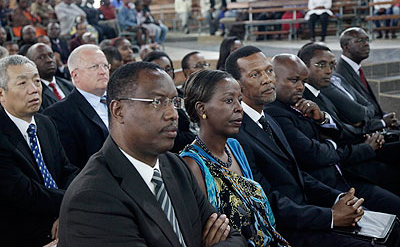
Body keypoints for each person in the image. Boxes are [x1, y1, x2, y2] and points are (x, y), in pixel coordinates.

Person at [57, 61, 247, 247]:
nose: (173, 114)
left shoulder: (175, 166)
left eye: (173, 102)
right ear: (118, 110)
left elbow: (235, 238)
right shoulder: (93, 198)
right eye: (157, 102)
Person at [224, 46, 387, 247]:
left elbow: (298, 174)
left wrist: (338, 197)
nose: (267, 79)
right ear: (237, 84)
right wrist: (331, 217)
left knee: (391, 228)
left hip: (310, 209)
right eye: (255, 74)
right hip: (285, 230)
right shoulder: (237, 133)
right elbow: (268, 201)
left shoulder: (267, 118)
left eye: (269, 70)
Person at [266, 53, 400, 214]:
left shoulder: (301, 103)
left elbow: (341, 133)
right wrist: (331, 144)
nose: (301, 87)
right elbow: (314, 154)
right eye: (294, 81)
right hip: (327, 187)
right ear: (272, 79)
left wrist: (322, 119)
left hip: (344, 174)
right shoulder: (275, 112)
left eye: (303, 81)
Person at [180, 69, 290, 246]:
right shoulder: (192, 164)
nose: (239, 108)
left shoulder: (235, 147)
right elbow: (206, 235)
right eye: (229, 101)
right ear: (202, 109)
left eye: (239, 99)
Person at [298, 42, 400, 196]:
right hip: (346, 167)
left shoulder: (321, 92)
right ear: (303, 67)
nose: (328, 71)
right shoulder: (305, 101)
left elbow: (363, 111)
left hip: (358, 147)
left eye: (332, 65)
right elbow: (342, 134)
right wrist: (367, 145)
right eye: (321, 64)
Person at [0, 55, 78, 247]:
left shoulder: (45, 123)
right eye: (23, 83)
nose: (34, 89)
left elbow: (67, 170)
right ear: (1, 93)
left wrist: (64, 214)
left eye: (36, 81)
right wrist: (71, 203)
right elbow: (26, 193)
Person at [43, 45, 109, 169]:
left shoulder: (121, 102)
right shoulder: (58, 114)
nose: (103, 71)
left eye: (105, 66)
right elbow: (71, 167)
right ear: (75, 75)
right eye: (94, 66)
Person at [335, 27, 398, 130]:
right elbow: (353, 114)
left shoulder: (355, 68)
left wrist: (386, 117)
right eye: (360, 41)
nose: (366, 44)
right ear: (346, 46)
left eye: (367, 40)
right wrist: (382, 123)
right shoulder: (340, 74)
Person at [143, 51, 196, 153]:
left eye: (168, 69)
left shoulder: (184, 95)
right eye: (158, 70)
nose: (165, 74)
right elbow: (176, 139)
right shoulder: (149, 103)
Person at [26, 43, 73, 110]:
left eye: (51, 55)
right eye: (41, 57)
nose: (49, 60)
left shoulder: (68, 85)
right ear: (31, 63)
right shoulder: (32, 93)